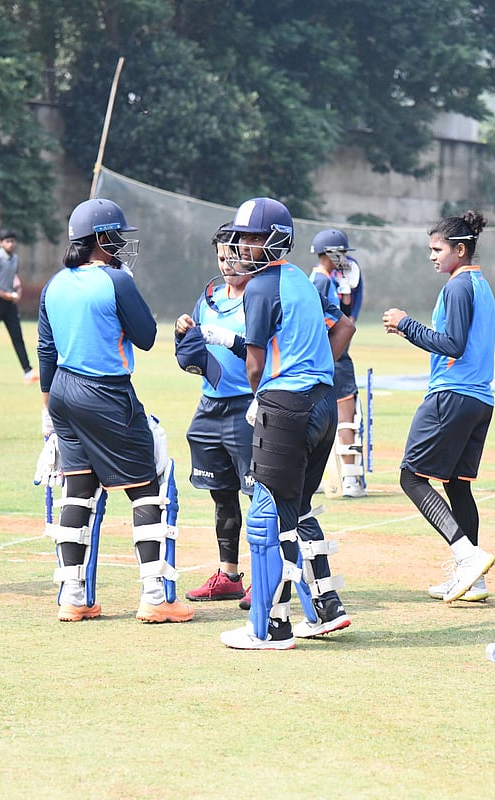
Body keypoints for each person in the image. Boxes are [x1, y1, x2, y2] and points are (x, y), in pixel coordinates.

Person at [35, 198, 194, 625]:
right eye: (117, 237)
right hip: (106, 392)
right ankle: (156, 597)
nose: (122, 244)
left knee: (78, 488)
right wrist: (126, 294)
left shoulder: (54, 284)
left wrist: (48, 412)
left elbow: (46, 350)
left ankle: (73, 597)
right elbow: (146, 336)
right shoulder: (116, 280)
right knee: (147, 487)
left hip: (63, 393)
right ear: (102, 239)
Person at [216, 197, 356, 650]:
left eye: (253, 238)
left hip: (285, 406)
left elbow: (255, 364)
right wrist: (314, 368)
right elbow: (344, 327)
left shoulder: (260, 287)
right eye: (241, 237)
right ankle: (327, 606)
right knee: (297, 511)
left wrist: (263, 396)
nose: (243, 246)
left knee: (266, 518)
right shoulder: (301, 279)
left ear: (275, 240)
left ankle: (270, 628)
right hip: (323, 403)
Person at [381, 211, 495, 605]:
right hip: (479, 399)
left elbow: (453, 345)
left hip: (452, 395)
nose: (431, 256)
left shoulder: (459, 286)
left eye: (437, 249)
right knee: (457, 485)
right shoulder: (479, 284)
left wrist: (406, 324)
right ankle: (473, 580)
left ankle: (468, 557)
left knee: (411, 477)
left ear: (460, 250)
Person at [173, 226, 255, 604]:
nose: (226, 265)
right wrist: (183, 332)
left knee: (260, 497)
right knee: (222, 495)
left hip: (249, 406)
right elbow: (192, 351)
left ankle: (267, 578)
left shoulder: (260, 297)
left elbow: (265, 352)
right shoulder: (209, 298)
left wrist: (229, 339)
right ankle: (229, 575)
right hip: (210, 406)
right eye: (221, 258)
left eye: (233, 257)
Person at [310, 229, 367, 498]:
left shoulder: (325, 281)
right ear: (330, 253)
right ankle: (351, 479)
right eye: (341, 253)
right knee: (346, 417)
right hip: (333, 357)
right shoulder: (321, 282)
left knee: (321, 419)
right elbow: (323, 324)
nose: (344, 258)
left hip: (325, 356)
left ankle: (318, 478)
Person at [0, 227, 38, 385]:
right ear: (1, 243)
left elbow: (13, 276)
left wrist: (18, 287)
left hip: (9, 302)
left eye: (12, 241)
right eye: (7, 241)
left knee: (17, 335)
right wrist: (0, 292)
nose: (11, 244)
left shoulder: (15, 258)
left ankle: (28, 371)